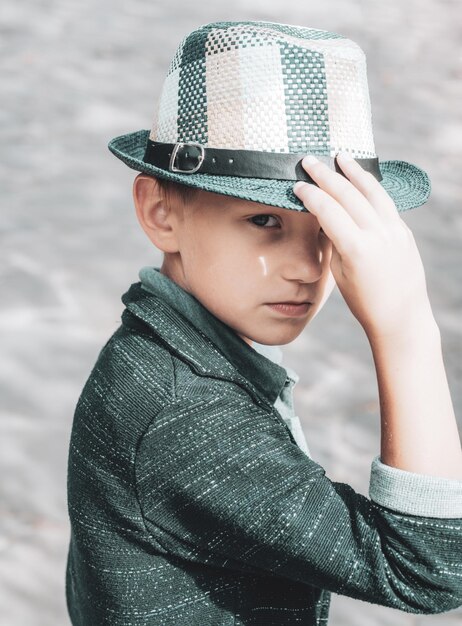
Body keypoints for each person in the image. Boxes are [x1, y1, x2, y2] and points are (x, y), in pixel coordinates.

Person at [65, 20, 462, 625]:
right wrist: (407, 330)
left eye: (327, 230)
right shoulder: (185, 412)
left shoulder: (162, 353)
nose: (307, 267)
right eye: (264, 221)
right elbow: (430, 568)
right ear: (159, 210)